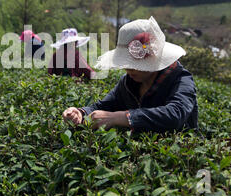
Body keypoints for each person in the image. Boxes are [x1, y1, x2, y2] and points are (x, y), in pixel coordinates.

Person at [62, 17, 198, 133]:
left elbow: (175, 115)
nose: (128, 69)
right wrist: (80, 113)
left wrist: (120, 117)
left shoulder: (180, 79)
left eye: (133, 64)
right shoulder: (128, 83)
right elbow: (104, 106)